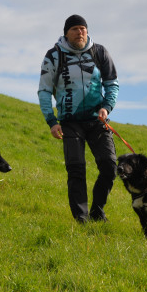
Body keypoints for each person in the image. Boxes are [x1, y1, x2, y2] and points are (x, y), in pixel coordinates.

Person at [38, 14, 120, 223]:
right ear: (66, 32)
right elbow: (44, 91)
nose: (80, 32)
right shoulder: (54, 55)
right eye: (75, 29)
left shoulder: (99, 52)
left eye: (83, 28)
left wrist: (106, 107)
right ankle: (81, 219)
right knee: (76, 170)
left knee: (110, 166)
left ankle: (97, 210)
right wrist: (51, 121)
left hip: (97, 120)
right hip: (69, 122)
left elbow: (112, 84)